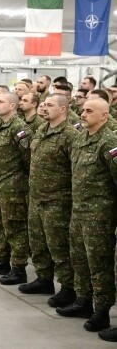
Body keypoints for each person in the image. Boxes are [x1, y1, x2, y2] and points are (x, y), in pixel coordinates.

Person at [58, 98, 117, 334]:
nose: (83, 114)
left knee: (99, 264)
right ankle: (83, 301)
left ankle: (101, 310)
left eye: (89, 111)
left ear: (104, 116)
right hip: (79, 210)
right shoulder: (81, 137)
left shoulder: (110, 142)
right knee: (79, 259)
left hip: (99, 215)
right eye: (82, 110)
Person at [21, 95, 78, 309]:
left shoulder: (69, 135)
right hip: (37, 197)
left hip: (57, 200)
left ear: (63, 110)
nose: (45, 108)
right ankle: (44, 279)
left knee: (59, 246)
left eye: (50, 105)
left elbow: (76, 169)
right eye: (44, 105)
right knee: (38, 241)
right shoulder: (42, 130)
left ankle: (68, 287)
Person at [0, 93, 32, 286]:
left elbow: (28, 160)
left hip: (13, 187)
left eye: (1, 101)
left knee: (15, 228)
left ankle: (18, 269)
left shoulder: (19, 128)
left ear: (12, 106)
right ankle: (1, 261)